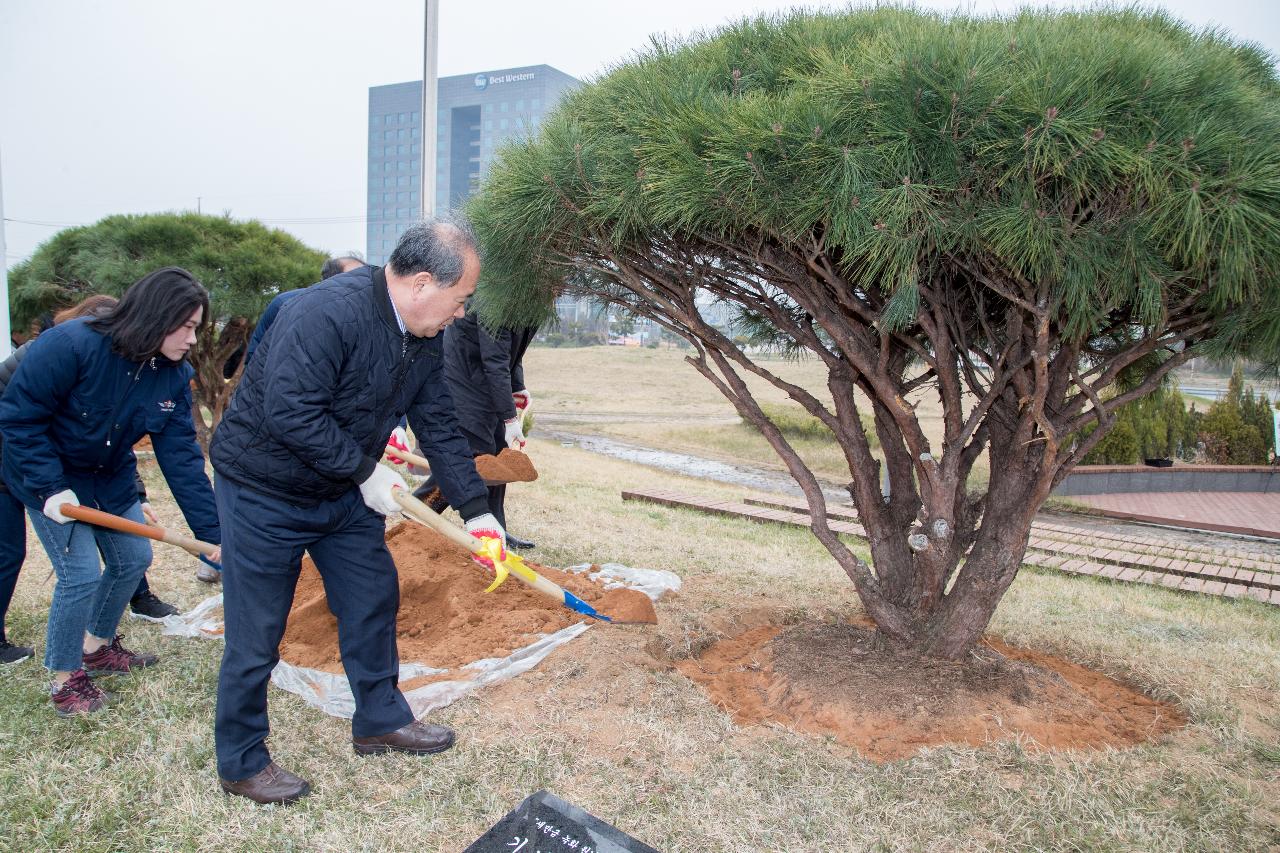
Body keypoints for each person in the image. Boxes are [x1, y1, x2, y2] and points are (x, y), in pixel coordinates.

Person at [209, 218, 504, 805]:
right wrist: (367, 471)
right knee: (258, 629)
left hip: (340, 491)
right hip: (264, 489)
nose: (461, 314)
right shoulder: (325, 313)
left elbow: (439, 421)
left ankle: (380, 720)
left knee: (371, 595)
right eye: (461, 299)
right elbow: (290, 411)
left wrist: (477, 511)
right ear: (423, 283)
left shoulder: (423, 334)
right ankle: (241, 760)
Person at [0, 269, 222, 715]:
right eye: (188, 326)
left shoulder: (172, 376)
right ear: (157, 316)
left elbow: (180, 459)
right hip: (50, 477)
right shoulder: (70, 345)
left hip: (110, 475)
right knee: (79, 572)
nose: (192, 340)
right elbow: (20, 419)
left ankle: (95, 647)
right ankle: (66, 679)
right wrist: (48, 488)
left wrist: (215, 538)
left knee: (134, 559)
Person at [0, 297, 181, 664]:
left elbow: (111, 437)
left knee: (131, 555)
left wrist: (137, 494)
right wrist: (43, 480)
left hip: (63, 464)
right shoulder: (49, 353)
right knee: (17, 554)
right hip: (20, 458)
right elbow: (21, 421)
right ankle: (55, 671)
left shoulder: (124, 368)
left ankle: (102, 641)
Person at [409, 308, 539, 549]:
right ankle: (420, 508)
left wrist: (517, 386)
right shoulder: (497, 304)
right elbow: (495, 361)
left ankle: (497, 529)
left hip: (486, 380)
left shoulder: (530, 302)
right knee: (475, 454)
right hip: (461, 379)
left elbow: (514, 352)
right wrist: (510, 418)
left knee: (498, 453)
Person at [241, 253, 365, 367]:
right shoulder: (285, 303)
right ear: (332, 280)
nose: (365, 283)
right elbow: (256, 354)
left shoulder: (368, 314)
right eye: (356, 277)